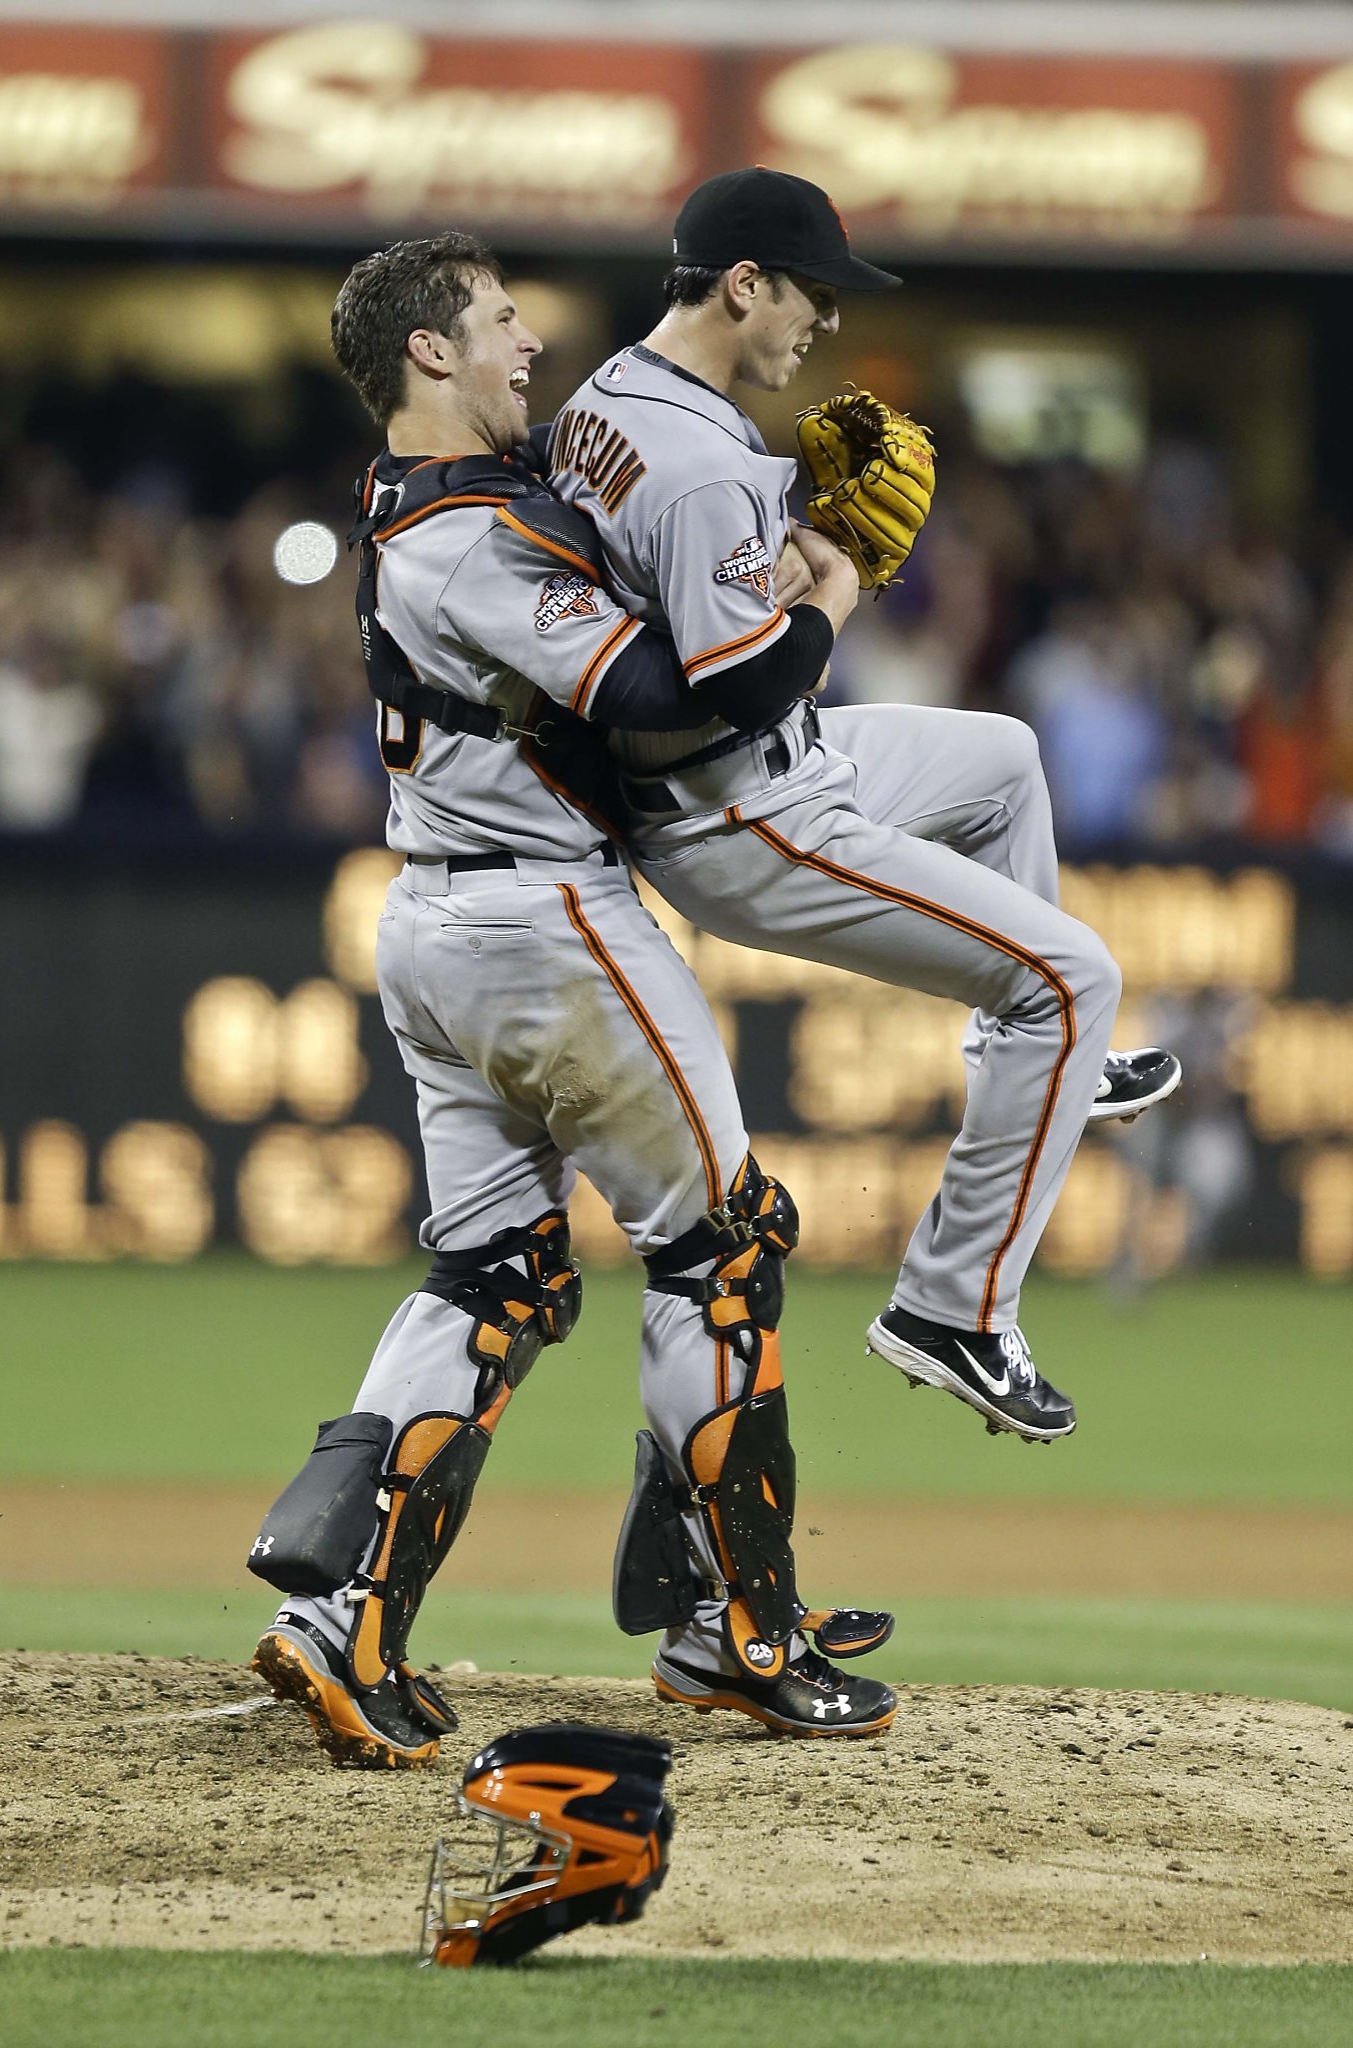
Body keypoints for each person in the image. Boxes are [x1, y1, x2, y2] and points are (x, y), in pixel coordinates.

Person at [245, 232, 898, 1769]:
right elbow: (669, 704)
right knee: (722, 1250)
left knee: (496, 1276)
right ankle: (743, 1636)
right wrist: (831, 598)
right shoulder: (467, 533)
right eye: (495, 320)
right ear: (426, 354)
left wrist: (768, 535)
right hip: (548, 922)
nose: (529, 340)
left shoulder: (435, 506)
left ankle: (340, 1618)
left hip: (436, 919)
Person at [548, 167, 1182, 1444]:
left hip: (745, 766)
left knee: (1004, 757)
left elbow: (678, 572)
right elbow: (739, 684)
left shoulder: (605, 398)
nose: (824, 323)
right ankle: (954, 1305)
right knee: (1072, 974)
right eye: (812, 293)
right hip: (741, 812)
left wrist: (784, 515)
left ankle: (1042, 1064)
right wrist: (831, 583)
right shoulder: (702, 463)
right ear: (743, 283)